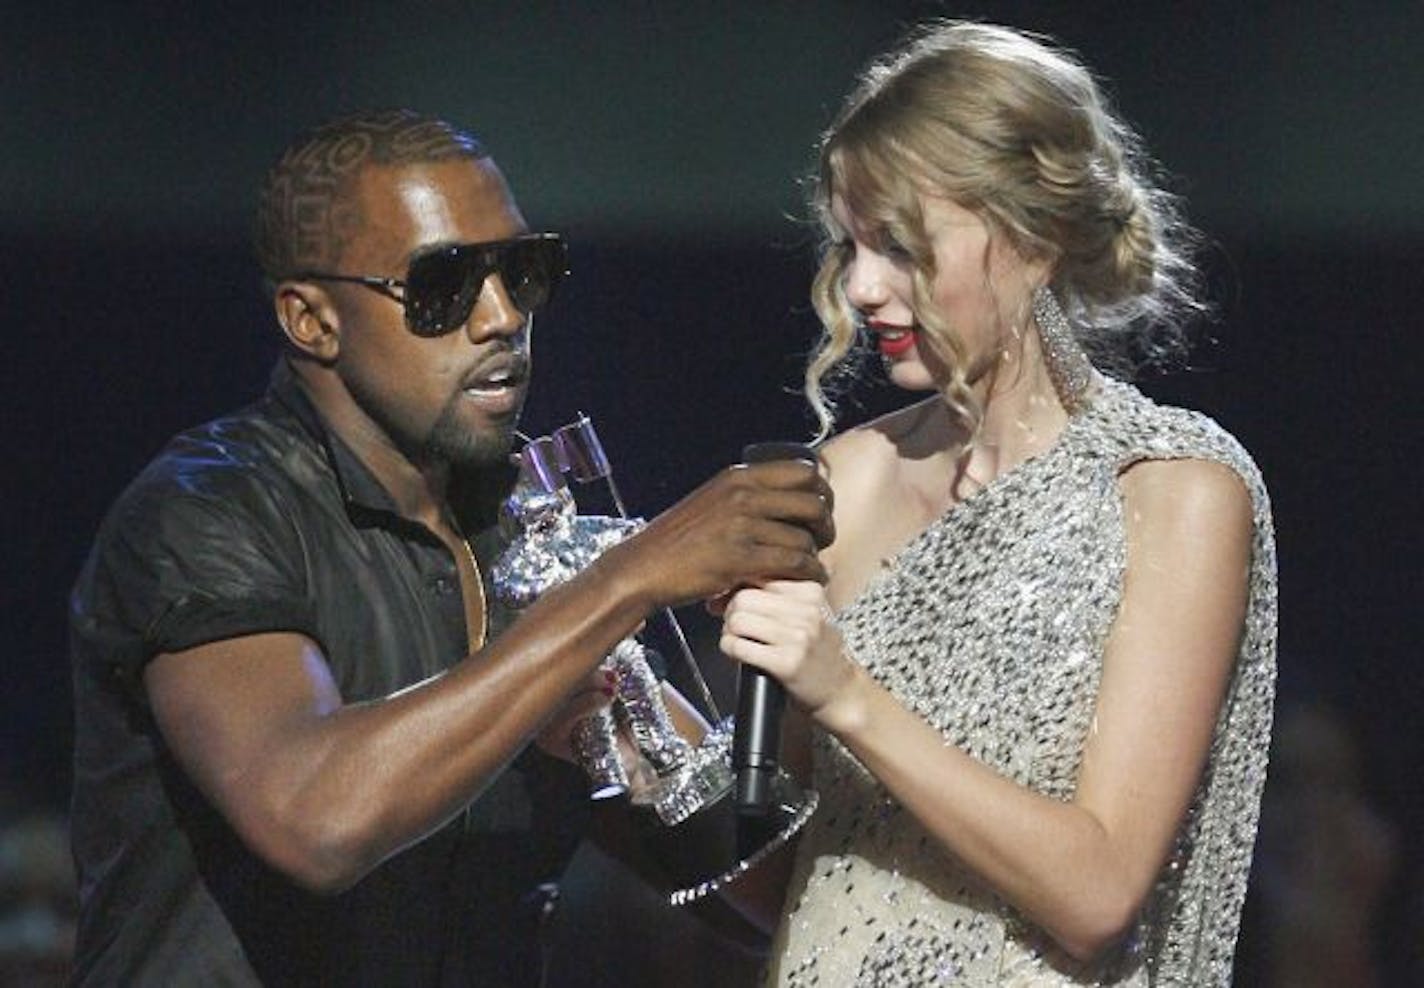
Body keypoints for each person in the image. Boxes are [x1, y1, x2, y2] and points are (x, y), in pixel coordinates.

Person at [67, 108, 833, 987]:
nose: (503, 316)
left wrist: (806, 688)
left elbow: (768, 895)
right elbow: (316, 820)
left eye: (524, 270)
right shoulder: (207, 509)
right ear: (311, 320)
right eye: (444, 285)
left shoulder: (523, 531)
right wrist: (625, 583)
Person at [718, 21, 1277, 986]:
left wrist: (847, 693)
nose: (860, 288)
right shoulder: (851, 477)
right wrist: (642, 746)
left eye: (899, 245)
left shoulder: (1174, 490)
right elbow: (793, 880)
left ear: (1034, 236)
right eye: (851, 247)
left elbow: (1099, 893)